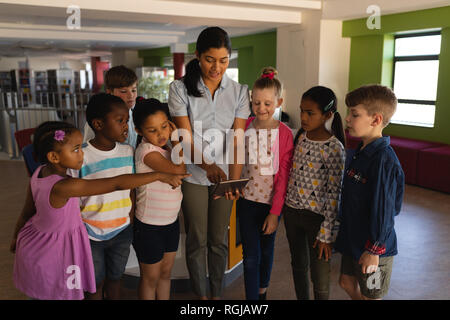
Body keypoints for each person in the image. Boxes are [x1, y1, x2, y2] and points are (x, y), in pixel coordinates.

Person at [10, 121, 189, 300]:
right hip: (55, 251)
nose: (82, 154)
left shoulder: (39, 173)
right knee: (60, 292)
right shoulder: (64, 186)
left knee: (48, 292)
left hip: (34, 243)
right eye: (76, 149)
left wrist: (16, 237)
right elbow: (116, 184)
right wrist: (159, 175)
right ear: (54, 157)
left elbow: (26, 213)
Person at [168, 26, 250, 300]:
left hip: (225, 176)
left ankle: (216, 295)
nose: (217, 67)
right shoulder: (180, 88)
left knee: (218, 240)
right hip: (193, 174)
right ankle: (201, 297)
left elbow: (238, 141)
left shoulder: (239, 92)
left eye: (224, 60)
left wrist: (232, 180)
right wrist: (208, 166)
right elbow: (184, 136)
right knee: (197, 239)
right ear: (198, 56)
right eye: (210, 59)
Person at [335, 84, 404, 300]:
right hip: (353, 239)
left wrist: (374, 250)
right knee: (346, 282)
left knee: (371, 295)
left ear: (376, 120)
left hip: (374, 248)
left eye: (354, 114)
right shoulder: (360, 151)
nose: (347, 119)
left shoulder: (383, 159)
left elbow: (385, 211)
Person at [282, 86, 346, 300]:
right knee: (298, 266)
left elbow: (334, 194)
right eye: (301, 111)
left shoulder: (334, 148)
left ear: (328, 115)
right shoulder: (300, 136)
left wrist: (327, 233)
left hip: (317, 220)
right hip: (292, 213)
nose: (303, 117)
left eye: (310, 113)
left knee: (319, 276)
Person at [71, 93, 136, 300]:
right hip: (90, 233)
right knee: (94, 283)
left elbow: (131, 189)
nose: (126, 126)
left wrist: (131, 215)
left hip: (122, 230)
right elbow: (71, 196)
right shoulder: (81, 155)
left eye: (127, 121)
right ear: (98, 124)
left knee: (116, 278)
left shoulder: (128, 151)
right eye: (119, 121)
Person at [237, 67, 294, 300]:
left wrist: (275, 212)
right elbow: (236, 161)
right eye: (257, 103)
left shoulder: (285, 133)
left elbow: (283, 177)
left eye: (268, 104)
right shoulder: (245, 125)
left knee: (266, 251)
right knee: (250, 256)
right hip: (247, 202)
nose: (261, 109)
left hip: (271, 206)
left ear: (278, 102)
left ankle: (262, 294)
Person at [132, 99, 185, 300]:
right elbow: (180, 169)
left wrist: (173, 144)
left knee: (165, 274)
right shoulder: (146, 152)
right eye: (153, 130)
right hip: (149, 226)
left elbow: (178, 170)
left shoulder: (167, 150)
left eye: (164, 127)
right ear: (139, 131)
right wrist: (177, 139)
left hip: (170, 223)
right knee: (150, 278)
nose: (161, 134)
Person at [83, 65, 140, 148]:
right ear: (110, 92)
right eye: (124, 91)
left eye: (134, 90)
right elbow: (88, 148)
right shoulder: (99, 119)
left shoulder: (136, 114)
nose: (131, 95)